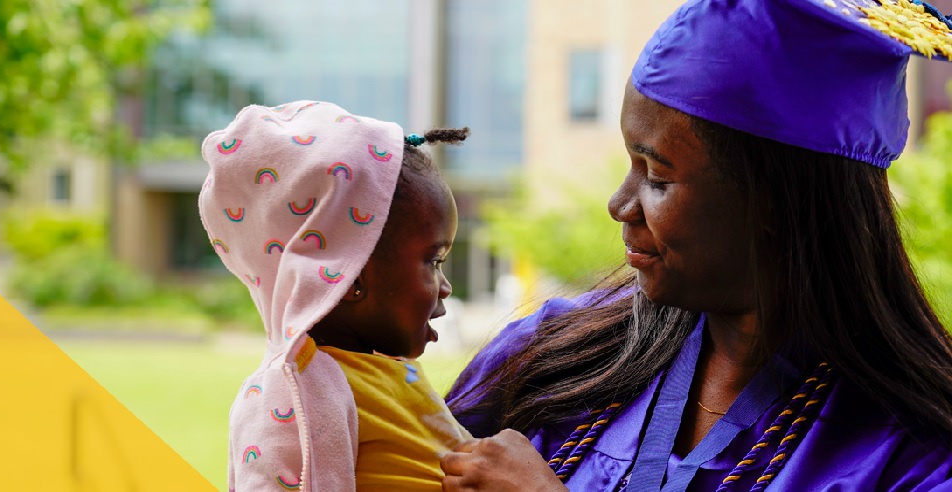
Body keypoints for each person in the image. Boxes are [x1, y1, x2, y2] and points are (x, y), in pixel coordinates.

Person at [441, 0, 952, 491]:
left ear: (776, 203)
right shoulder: (546, 357)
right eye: (630, 165)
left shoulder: (915, 456)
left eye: (658, 177)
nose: (620, 204)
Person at [199, 100, 473, 490]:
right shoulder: (289, 395)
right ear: (351, 275)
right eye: (433, 261)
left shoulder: (385, 370)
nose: (445, 286)